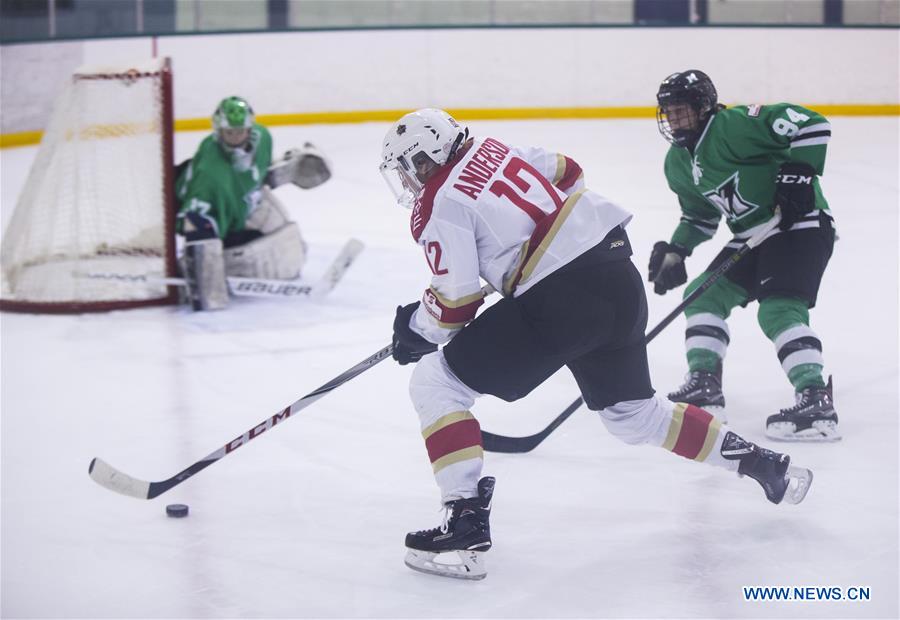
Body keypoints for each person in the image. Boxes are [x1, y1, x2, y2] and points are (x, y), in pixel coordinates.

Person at [380, 108, 814, 581]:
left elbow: (456, 302)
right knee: (634, 416)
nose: (409, 180)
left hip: (561, 301)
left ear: (427, 157)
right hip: (615, 273)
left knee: (435, 383)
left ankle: (463, 525)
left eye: (409, 167)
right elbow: (568, 170)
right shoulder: (498, 150)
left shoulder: (441, 202)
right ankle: (762, 464)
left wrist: (415, 331)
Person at [649, 70, 839, 442]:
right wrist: (677, 249)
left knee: (779, 308)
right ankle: (705, 384)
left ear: (704, 107)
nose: (673, 120)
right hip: (753, 235)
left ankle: (816, 400)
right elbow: (700, 218)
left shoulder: (734, 125)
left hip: (798, 225)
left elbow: (812, 124)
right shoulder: (677, 162)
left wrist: (799, 172)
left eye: (681, 111)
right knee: (703, 294)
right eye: (668, 113)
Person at [175, 96, 331, 310]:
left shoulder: (262, 137)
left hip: (249, 203)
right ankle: (208, 268)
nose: (236, 137)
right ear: (218, 131)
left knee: (290, 243)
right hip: (223, 216)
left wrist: (287, 170)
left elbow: (254, 175)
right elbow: (195, 219)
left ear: (250, 128)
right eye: (229, 132)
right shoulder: (211, 175)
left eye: (241, 131)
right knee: (278, 260)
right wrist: (205, 282)